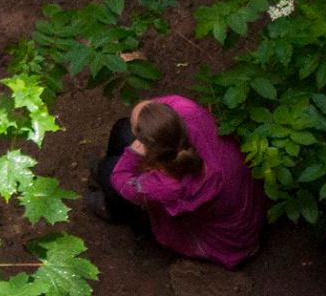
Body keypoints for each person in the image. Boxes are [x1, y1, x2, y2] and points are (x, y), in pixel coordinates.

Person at [92, 96, 267, 269]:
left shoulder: (167, 185)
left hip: (228, 240)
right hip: (239, 202)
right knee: (123, 129)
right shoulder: (188, 112)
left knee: (107, 171)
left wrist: (132, 153)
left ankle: (116, 211)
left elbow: (119, 178)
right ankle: (109, 188)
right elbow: (158, 105)